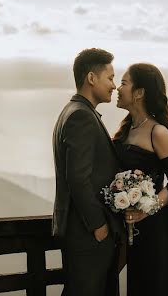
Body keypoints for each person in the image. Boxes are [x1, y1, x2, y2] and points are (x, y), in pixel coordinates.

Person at [112, 63, 168, 295]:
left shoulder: (157, 132)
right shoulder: (126, 130)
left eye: (123, 83)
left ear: (139, 93)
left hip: (156, 229)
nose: (118, 89)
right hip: (133, 230)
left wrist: (147, 208)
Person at [53, 48, 124, 295]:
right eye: (110, 77)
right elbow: (77, 177)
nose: (114, 85)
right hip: (87, 234)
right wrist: (98, 225)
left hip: (82, 232)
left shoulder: (73, 111)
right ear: (92, 78)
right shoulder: (81, 116)